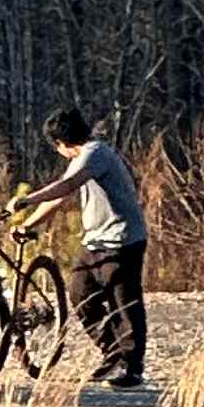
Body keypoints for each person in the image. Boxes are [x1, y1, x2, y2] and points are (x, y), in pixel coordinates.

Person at [15, 106, 149, 390]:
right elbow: (58, 198)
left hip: (123, 240)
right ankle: (113, 353)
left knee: (124, 302)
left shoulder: (95, 152)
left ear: (60, 143)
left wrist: (27, 199)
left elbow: (67, 186)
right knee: (80, 294)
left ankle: (131, 367)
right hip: (96, 241)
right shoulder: (82, 158)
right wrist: (28, 224)